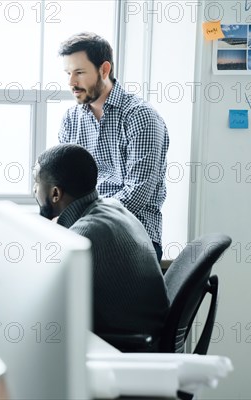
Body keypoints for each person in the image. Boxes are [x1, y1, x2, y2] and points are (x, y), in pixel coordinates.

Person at [32, 143, 169, 349]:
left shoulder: (85, 235)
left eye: (36, 182)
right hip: (143, 335)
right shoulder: (109, 206)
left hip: (126, 348)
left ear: (55, 194)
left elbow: (42, 297)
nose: (34, 190)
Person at [58, 32, 169, 262]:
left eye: (79, 72)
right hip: (83, 234)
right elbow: (64, 186)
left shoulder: (141, 117)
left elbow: (135, 196)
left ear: (104, 70)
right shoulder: (71, 119)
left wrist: (80, 221)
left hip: (134, 239)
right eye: (68, 74)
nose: (71, 83)